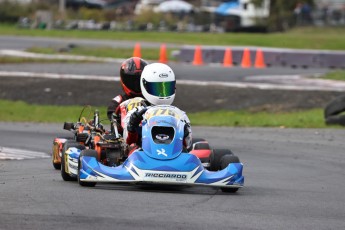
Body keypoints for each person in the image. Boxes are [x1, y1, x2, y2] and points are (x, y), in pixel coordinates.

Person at [124, 63, 192, 150]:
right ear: (145, 86)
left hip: (173, 155)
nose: (163, 94)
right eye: (157, 88)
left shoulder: (179, 114)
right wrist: (132, 126)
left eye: (166, 88)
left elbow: (188, 144)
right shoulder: (136, 112)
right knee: (133, 149)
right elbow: (127, 142)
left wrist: (184, 132)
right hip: (143, 154)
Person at [107, 57, 148, 133]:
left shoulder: (151, 99)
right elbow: (112, 116)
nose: (136, 84)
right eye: (132, 81)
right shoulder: (117, 102)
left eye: (139, 81)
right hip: (122, 139)